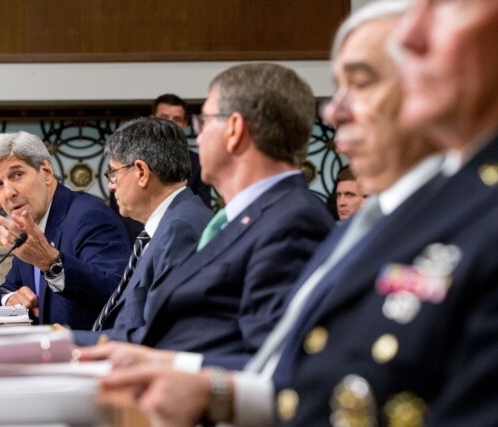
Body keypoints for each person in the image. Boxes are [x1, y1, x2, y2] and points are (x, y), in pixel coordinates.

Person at [84, 3, 442, 425]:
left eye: (360, 84)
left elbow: (281, 358)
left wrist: (196, 380)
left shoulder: (293, 218)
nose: (333, 112)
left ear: (234, 129)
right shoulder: (256, 218)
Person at [99, 63, 334, 361]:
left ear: (234, 129)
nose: (196, 138)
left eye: (204, 122)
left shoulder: (293, 221)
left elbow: (271, 360)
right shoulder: (245, 217)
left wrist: (172, 365)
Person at [73, 117, 214, 346]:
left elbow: (156, 335)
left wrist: (68, 340)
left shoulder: (181, 230)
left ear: (141, 172)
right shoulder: (174, 221)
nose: (111, 184)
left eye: (113, 173)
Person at [0, 131, 132, 329]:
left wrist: (51, 263)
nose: (9, 192)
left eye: (17, 175)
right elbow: (8, 288)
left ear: (46, 172)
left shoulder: (89, 216)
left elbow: (118, 295)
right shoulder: (30, 225)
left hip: (88, 353)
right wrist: (10, 298)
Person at [153, 93, 212, 208]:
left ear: (184, 124)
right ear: (152, 120)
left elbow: (202, 209)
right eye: (163, 118)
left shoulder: (198, 163)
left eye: (177, 119)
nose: (170, 123)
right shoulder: (133, 157)